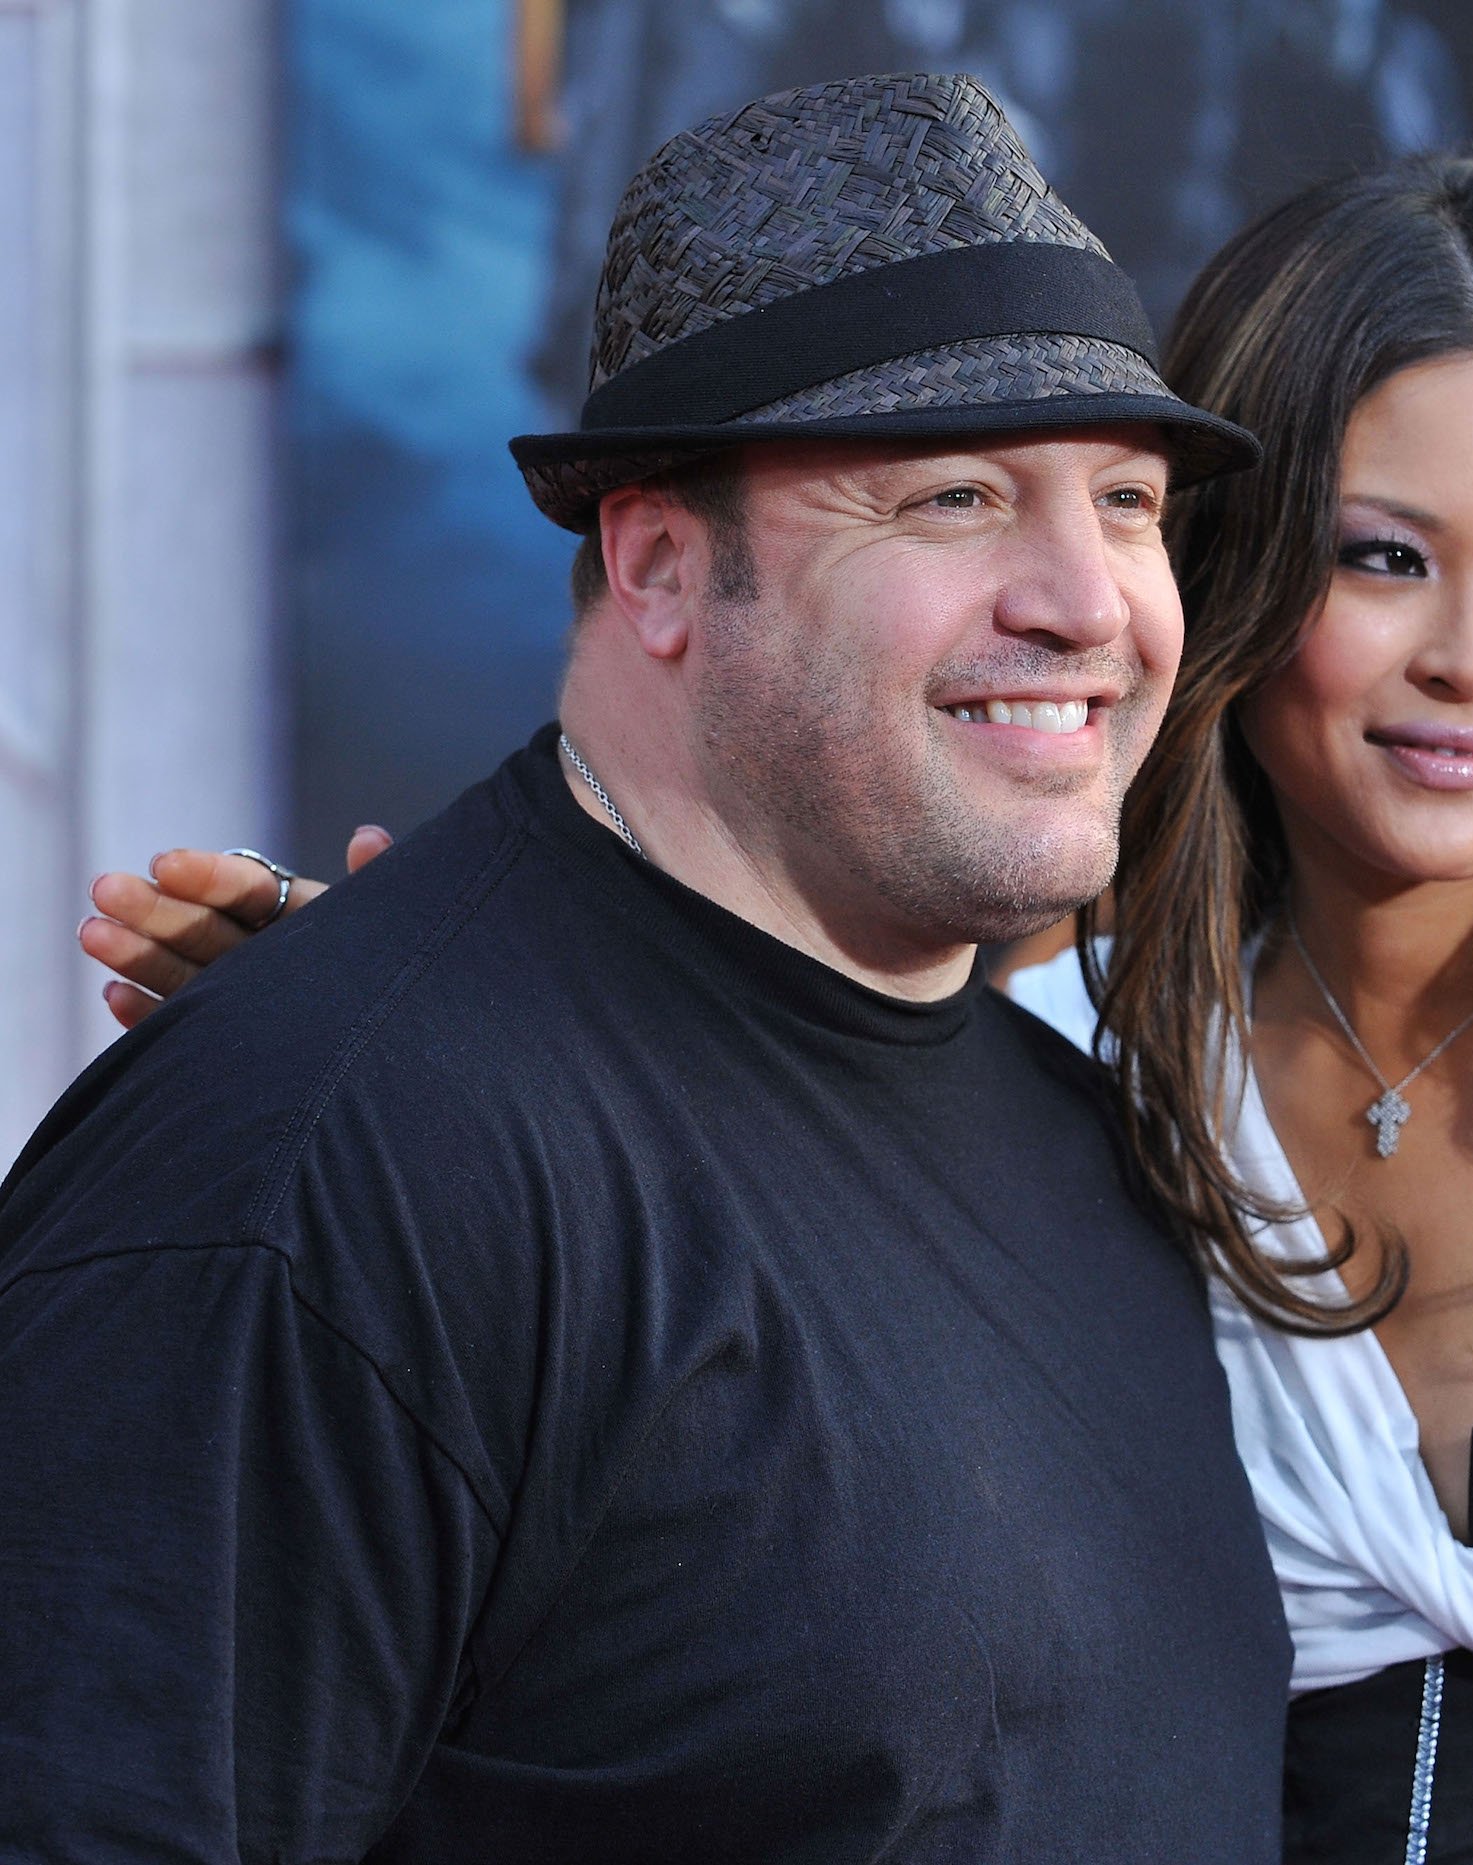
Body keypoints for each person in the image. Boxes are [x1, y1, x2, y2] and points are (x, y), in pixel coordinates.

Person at [79, 161, 1473, 1864]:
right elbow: (694, 1131)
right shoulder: (1054, 1040)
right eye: (1384, 560)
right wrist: (379, 1021)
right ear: (1234, 576)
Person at [2, 74, 1295, 1862]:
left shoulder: (1084, 1140)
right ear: (666, 564)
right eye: (954, 497)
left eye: (1133, 500)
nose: (1088, 601)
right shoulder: (330, 1158)